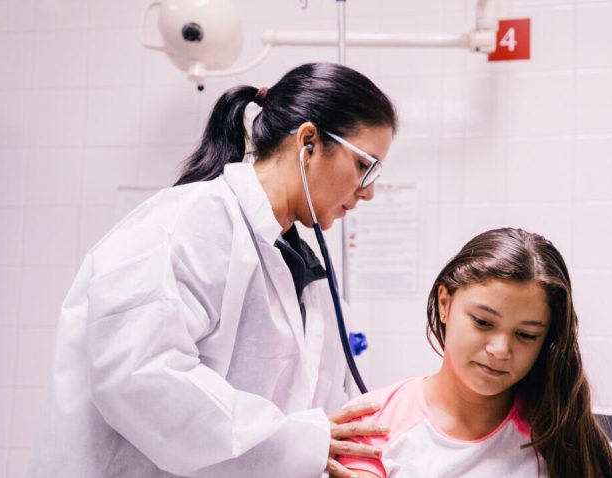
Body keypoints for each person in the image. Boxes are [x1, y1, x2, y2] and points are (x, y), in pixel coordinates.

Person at [28, 62, 397, 478]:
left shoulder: (302, 272)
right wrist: (298, 442)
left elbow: (316, 417)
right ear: (308, 142)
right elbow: (141, 378)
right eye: (366, 166)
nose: (368, 192)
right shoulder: (191, 222)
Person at [337, 228, 612, 478]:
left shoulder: (558, 432)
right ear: (444, 304)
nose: (500, 350)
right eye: (483, 322)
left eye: (526, 335)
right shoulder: (371, 424)